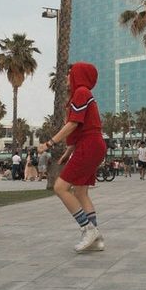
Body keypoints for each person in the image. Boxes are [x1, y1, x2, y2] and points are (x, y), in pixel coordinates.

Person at [38, 62, 107, 252]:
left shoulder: (81, 92)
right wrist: (69, 151)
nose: (67, 78)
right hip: (92, 144)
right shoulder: (81, 94)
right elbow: (80, 127)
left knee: (60, 187)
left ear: (78, 75)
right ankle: (96, 238)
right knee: (81, 192)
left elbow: (73, 124)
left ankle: (88, 229)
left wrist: (49, 143)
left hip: (90, 144)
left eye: (70, 74)